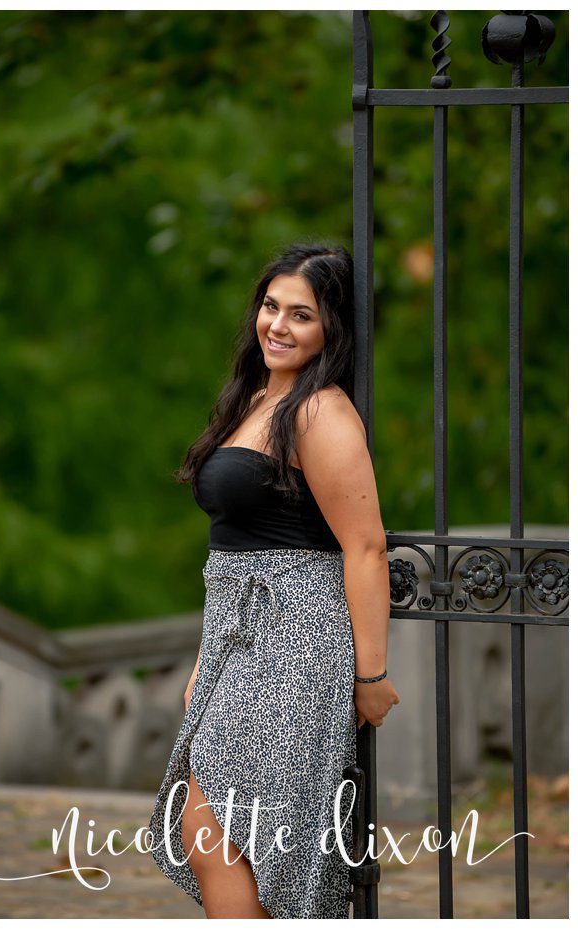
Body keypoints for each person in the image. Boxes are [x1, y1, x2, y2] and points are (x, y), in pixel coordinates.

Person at [146, 243, 401, 918]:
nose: (278, 326)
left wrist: (370, 676)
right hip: (241, 642)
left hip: (298, 642)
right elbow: (232, 547)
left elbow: (366, 547)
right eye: (270, 306)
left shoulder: (322, 413)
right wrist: (208, 659)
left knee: (241, 840)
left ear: (332, 331)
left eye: (302, 315)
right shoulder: (258, 397)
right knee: (215, 834)